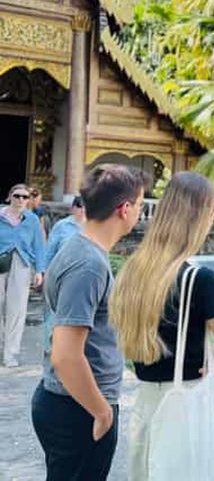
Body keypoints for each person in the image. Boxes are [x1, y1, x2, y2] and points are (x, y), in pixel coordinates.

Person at [109, 171, 214, 480]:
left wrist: (211, 352)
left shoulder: (133, 271)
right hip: (188, 410)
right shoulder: (199, 281)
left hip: (146, 407)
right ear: (198, 217)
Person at [31, 165, 146, 481]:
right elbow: (66, 355)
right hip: (77, 409)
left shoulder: (83, 250)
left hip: (74, 403)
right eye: (139, 204)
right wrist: (102, 411)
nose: (139, 211)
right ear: (124, 209)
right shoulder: (88, 264)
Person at [0, 183, 46, 367]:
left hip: (22, 264)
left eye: (25, 197)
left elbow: (39, 246)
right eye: (17, 196)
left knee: (17, 310)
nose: (20, 200)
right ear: (9, 196)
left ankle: (10, 353)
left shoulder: (32, 219)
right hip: (1, 261)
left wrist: (40, 270)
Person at [42, 196, 87, 357]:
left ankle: (69, 347)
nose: (83, 210)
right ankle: (49, 346)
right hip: (59, 273)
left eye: (86, 207)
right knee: (52, 311)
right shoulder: (62, 226)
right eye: (80, 206)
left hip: (81, 275)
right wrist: (45, 271)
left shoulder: (92, 227)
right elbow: (50, 251)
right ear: (73, 208)